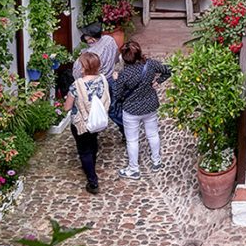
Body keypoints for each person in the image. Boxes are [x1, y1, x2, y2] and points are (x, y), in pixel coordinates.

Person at [115, 41, 171, 180]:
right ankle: (156, 161)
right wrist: (158, 82)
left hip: (131, 110)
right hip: (149, 105)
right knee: (153, 134)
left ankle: (133, 169)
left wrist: (116, 80)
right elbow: (168, 70)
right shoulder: (150, 65)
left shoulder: (124, 74)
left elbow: (118, 94)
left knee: (132, 140)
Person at [63, 51, 110, 194]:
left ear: (84, 67)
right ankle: (91, 166)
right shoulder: (102, 79)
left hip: (81, 123)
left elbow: (67, 107)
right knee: (93, 144)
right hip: (96, 121)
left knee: (84, 151)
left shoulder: (76, 85)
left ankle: (92, 181)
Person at [74, 22, 123, 135]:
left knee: (99, 109)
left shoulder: (91, 54)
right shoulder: (108, 39)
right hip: (111, 79)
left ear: (92, 39)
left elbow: (77, 73)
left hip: (99, 83)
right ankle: (126, 129)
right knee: (114, 108)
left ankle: (125, 128)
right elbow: (116, 57)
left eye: (86, 36)